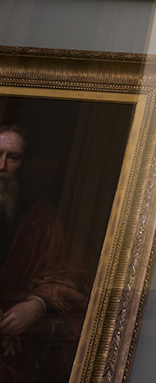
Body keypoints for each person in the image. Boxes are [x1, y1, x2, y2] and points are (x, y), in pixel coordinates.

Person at [0, 125, 88, 383]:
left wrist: (38, 304)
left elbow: (73, 274)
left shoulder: (42, 221)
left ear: (24, 164)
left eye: (13, 157)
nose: (1, 166)